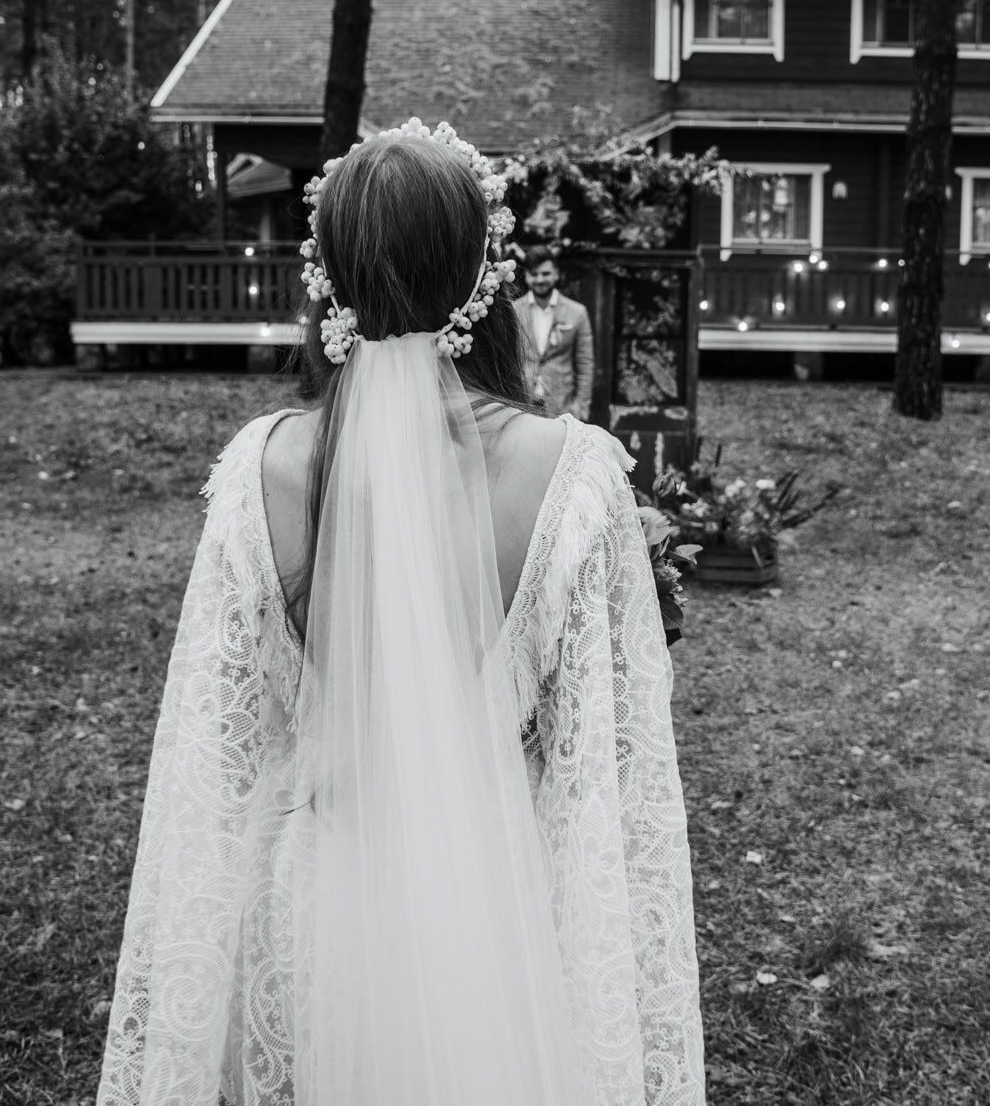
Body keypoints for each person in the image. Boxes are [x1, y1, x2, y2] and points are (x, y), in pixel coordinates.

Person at [95, 120, 705, 1106]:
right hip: (494, 913)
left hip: (313, 900)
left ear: (327, 275)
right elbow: (604, 775)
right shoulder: (569, 472)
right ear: (483, 273)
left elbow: (221, 751)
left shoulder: (262, 469)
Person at [512, 251, 594, 421]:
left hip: (562, 408)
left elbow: (585, 365)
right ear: (526, 276)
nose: (540, 279)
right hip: (521, 406)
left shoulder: (577, 312)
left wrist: (579, 409)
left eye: (546, 273)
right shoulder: (513, 311)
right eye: (534, 274)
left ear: (556, 274)